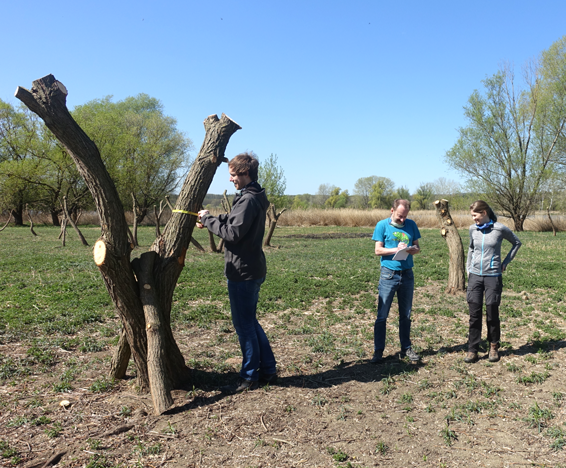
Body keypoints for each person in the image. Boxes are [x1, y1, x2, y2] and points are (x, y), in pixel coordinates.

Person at [197, 152, 277, 394]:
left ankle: (251, 376)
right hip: (251, 268)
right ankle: (268, 370)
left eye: (233, 175)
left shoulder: (248, 200)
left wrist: (209, 221)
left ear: (245, 173)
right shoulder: (252, 197)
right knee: (250, 322)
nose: (231, 179)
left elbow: (232, 233)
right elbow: (234, 220)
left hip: (243, 272)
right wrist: (211, 218)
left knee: (244, 326)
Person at [465, 200, 521, 363]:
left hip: (493, 277)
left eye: (475, 216)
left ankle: (494, 346)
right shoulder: (472, 229)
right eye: (472, 216)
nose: (473, 219)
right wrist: (469, 267)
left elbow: (517, 243)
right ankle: (472, 349)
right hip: (475, 276)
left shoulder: (499, 228)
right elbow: (471, 248)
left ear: (484, 213)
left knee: (492, 313)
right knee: (474, 315)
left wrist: (504, 263)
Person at [371, 199, 421, 364]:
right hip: (388, 274)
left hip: (407, 275)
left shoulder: (411, 225)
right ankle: (378, 351)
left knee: (405, 315)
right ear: (392, 210)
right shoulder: (382, 225)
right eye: (400, 216)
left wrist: (413, 250)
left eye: (405, 216)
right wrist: (396, 250)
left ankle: (406, 347)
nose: (402, 220)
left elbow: (417, 247)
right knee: (382, 315)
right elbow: (378, 250)